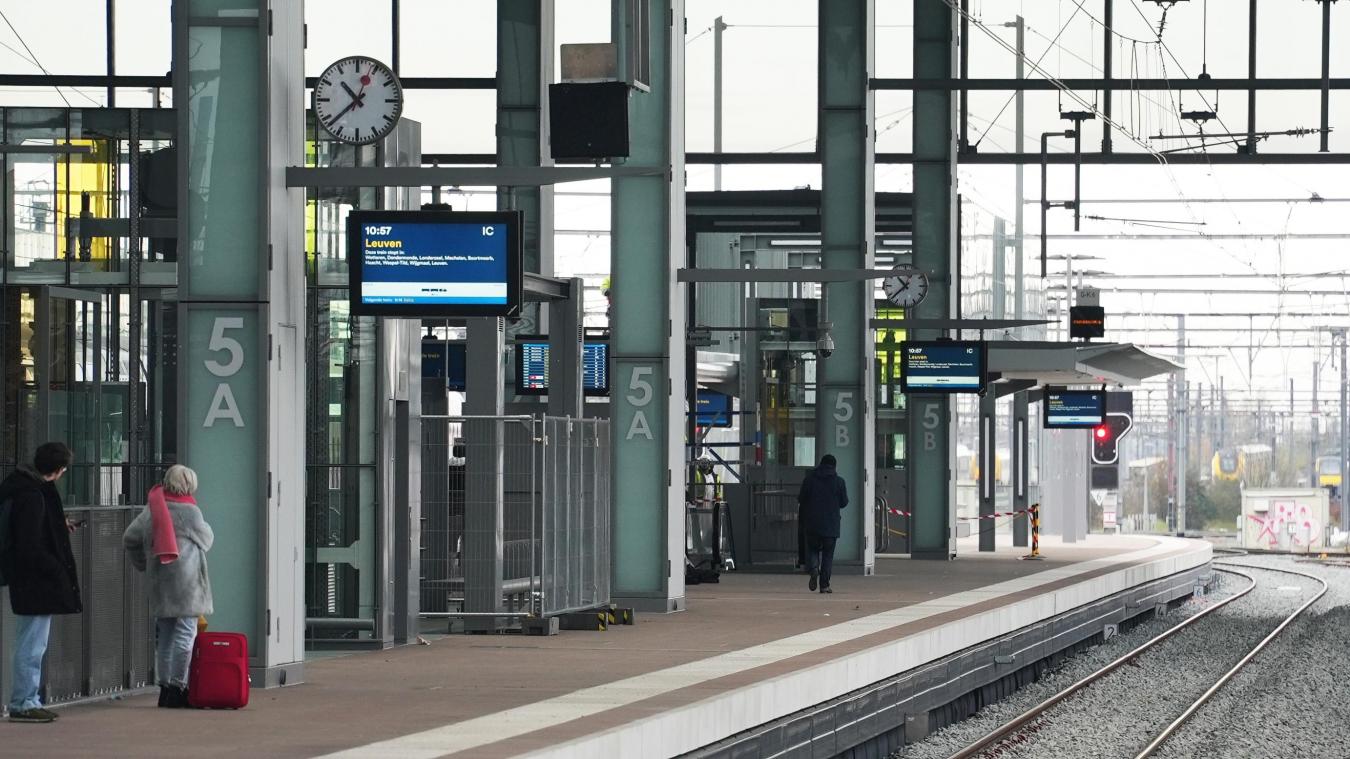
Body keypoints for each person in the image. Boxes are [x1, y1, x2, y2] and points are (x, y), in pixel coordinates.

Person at [123, 465, 213, 709]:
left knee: (165, 636)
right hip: (186, 584)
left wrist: (143, 563)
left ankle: (164, 689)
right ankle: (178, 687)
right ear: (189, 485)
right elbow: (206, 540)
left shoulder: (152, 508)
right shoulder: (189, 511)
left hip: (160, 580)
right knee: (186, 634)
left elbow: (130, 538)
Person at [1, 442, 79, 723]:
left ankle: (26, 699)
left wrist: (59, 524)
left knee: (31, 641)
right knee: (32, 644)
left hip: (25, 577)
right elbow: (31, 541)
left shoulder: (20, 486)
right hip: (36, 580)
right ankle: (23, 702)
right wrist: (56, 566)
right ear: (59, 471)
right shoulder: (33, 495)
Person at [797, 453, 848, 594]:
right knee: (827, 555)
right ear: (834, 466)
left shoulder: (809, 480)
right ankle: (824, 585)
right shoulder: (839, 482)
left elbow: (801, 498)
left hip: (812, 522)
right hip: (831, 524)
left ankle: (813, 568)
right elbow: (844, 503)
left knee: (813, 549)